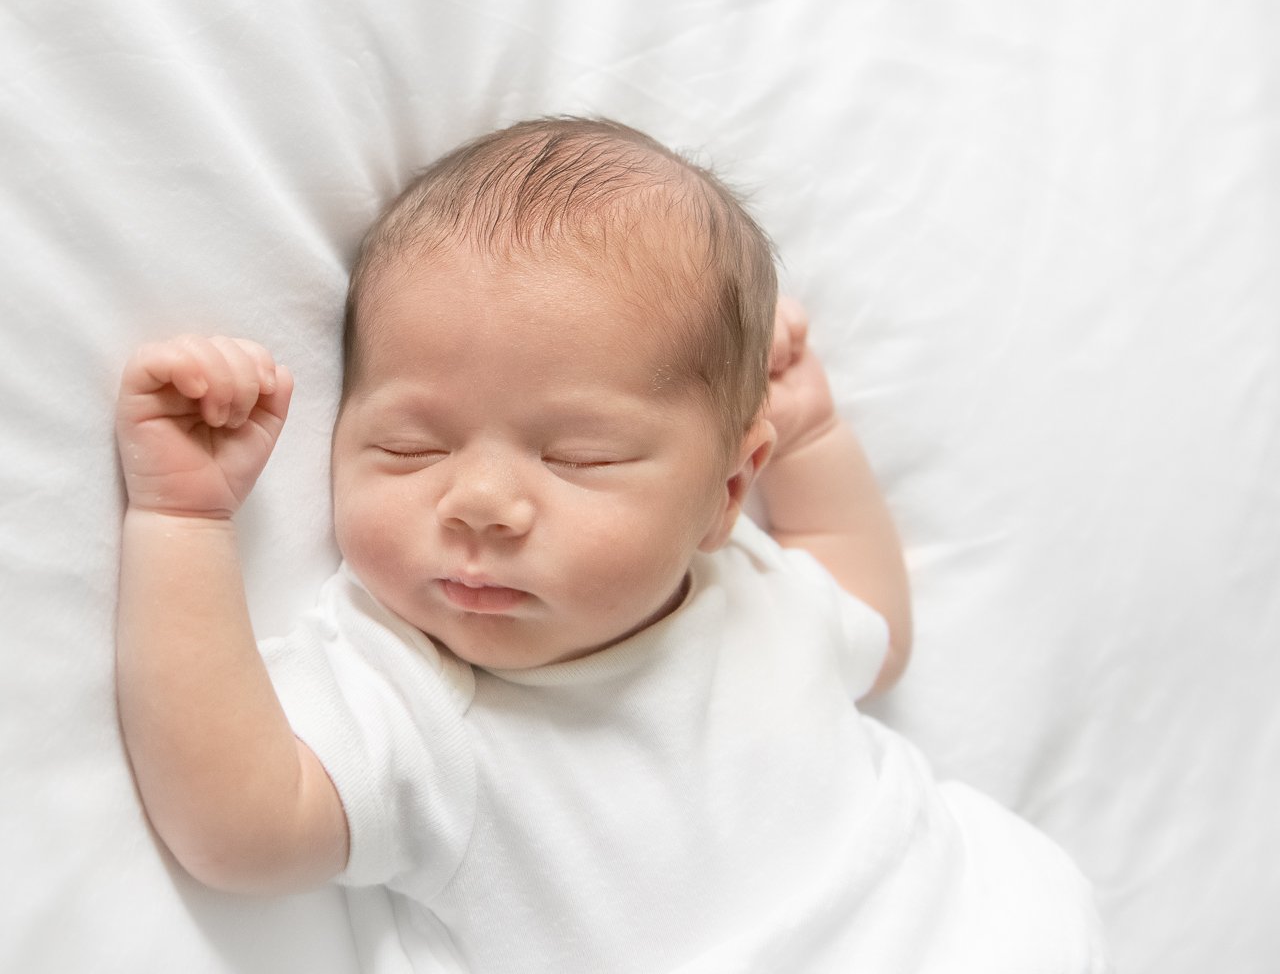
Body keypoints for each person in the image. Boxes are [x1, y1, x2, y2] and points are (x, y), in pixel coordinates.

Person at [114, 117, 1105, 972]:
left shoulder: (743, 588)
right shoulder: (417, 700)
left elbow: (877, 626)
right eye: (410, 447)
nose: (483, 502)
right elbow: (237, 824)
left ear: (723, 494)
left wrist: (809, 439)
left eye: (578, 457)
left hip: (972, 922)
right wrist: (184, 520)